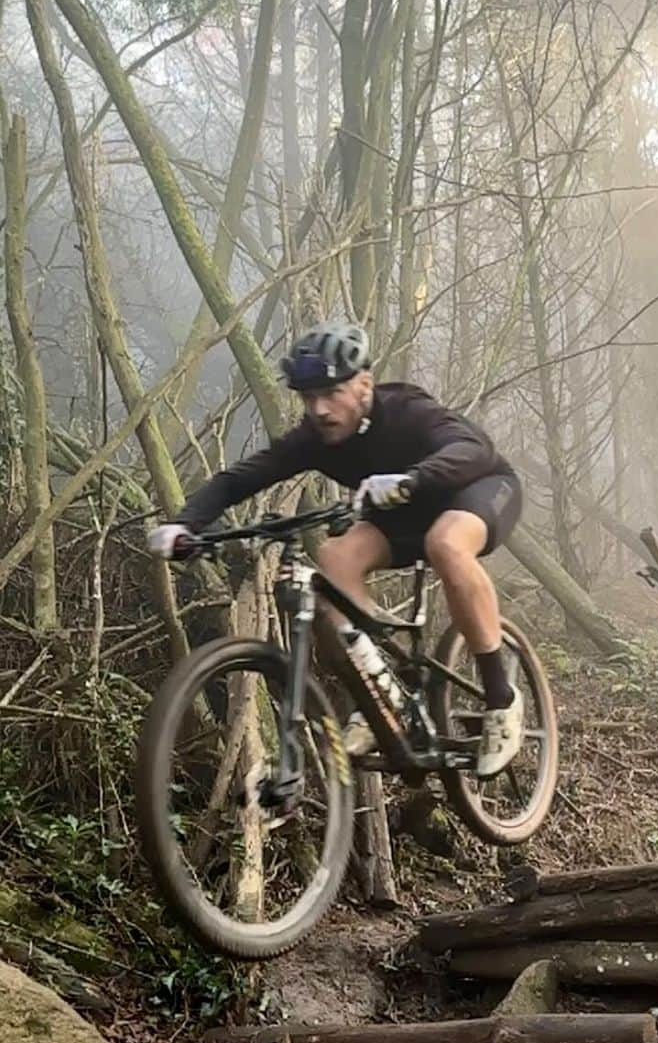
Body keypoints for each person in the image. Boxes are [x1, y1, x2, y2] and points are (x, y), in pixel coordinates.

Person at [148, 323, 525, 776]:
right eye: (308, 398)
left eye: (331, 393)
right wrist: (184, 525)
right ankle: (377, 692)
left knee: (444, 542)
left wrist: (415, 478)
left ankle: (502, 702)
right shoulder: (315, 437)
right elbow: (239, 479)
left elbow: (473, 449)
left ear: (364, 384)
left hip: (477, 489)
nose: (320, 409)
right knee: (332, 559)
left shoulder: (406, 409)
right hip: (404, 513)